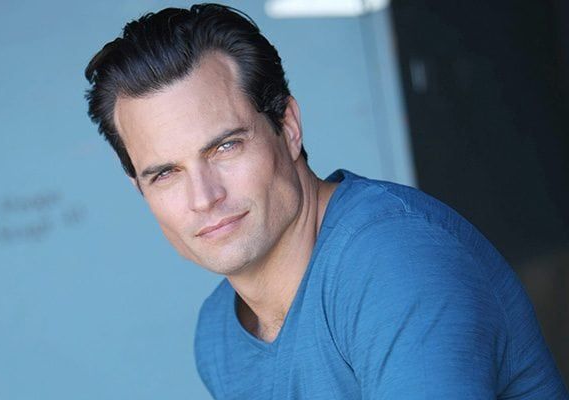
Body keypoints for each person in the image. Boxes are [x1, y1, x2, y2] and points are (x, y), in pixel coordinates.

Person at [84, 3, 568, 399]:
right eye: (166, 173)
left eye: (225, 147)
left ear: (288, 126)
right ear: (140, 188)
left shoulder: (393, 262)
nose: (204, 197)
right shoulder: (218, 335)